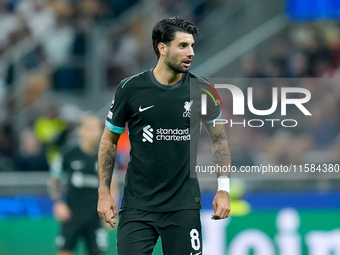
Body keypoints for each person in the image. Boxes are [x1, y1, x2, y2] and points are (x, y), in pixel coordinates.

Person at [97, 17, 231, 255]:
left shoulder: (203, 90)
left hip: (183, 206)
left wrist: (224, 189)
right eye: (182, 46)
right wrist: (104, 191)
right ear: (162, 48)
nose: (190, 52)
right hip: (138, 206)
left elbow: (219, 139)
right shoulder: (130, 89)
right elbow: (109, 140)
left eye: (192, 46)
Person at [48, 115, 114, 255]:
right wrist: (58, 202)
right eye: (90, 128)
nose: (95, 133)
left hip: (96, 217)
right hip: (72, 216)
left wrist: (112, 211)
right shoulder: (69, 154)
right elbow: (54, 180)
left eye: (97, 129)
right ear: (80, 131)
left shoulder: (105, 156)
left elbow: (112, 183)